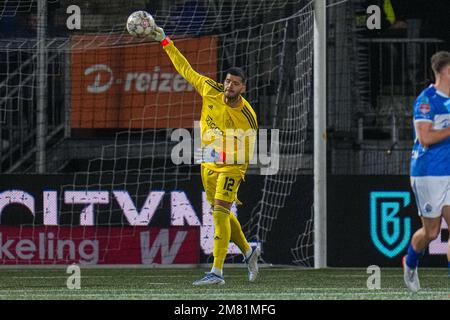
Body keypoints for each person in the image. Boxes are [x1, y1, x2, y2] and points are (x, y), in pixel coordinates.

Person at [148, 25, 261, 285]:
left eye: (235, 83)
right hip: (208, 161)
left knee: (220, 212)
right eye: (228, 81)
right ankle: (248, 250)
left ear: (243, 88)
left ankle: (217, 272)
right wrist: (165, 41)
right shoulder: (210, 89)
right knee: (219, 212)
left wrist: (223, 154)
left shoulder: (247, 116)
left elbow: (246, 148)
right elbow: (185, 69)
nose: (229, 86)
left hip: (232, 165)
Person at [405, 51, 450, 292]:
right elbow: (425, 138)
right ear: (446, 72)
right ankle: (410, 263)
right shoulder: (427, 100)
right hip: (429, 173)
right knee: (431, 233)